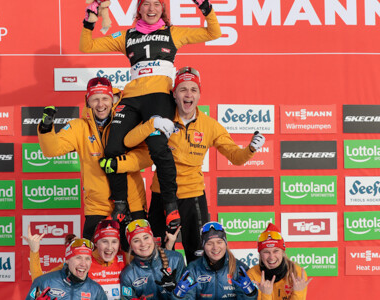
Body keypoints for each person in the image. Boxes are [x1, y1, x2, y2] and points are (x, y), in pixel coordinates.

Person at [80, 0, 222, 230]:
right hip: (132, 98)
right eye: (146, 4)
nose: (151, 8)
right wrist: (89, 21)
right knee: (112, 146)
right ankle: (121, 203)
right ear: (139, 8)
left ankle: (169, 205)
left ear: (163, 8)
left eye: (156, 4)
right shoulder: (127, 35)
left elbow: (213, 33)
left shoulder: (173, 32)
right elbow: (87, 46)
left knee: (158, 147)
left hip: (159, 97)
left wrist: (207, 9)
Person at [104, 66, 265, 263]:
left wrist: (250, 149)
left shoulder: (210, 126)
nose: (188, 94)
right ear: (174, 94)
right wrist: (151, 124)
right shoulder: (161, 119)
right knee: (155, 253)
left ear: (199, 94)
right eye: (183, 89)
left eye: (193, 90)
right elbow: (129, 141)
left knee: (198, 254)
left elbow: (236, 157)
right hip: (161, 194)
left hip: (193, 197)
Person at [37, 77, 148, 241]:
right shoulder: (79, 127)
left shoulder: (128, 121)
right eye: (95, 99)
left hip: (132, 203)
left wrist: (119, 164)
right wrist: (46, 127)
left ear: (113, 100)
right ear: (88, 102)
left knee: (133, 260)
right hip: (97, 207)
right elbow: (52, 150)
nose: (100, 104)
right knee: (92, 261)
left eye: (105, 98)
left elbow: (146, 156)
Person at [27, 220, 126, 300]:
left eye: (114, 242)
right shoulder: (80, 259)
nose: (109, 247)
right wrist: (34, 251)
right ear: (96, 242)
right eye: (104, 241)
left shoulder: (124, 260)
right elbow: (41, 281)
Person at [175, 221, 257, 300]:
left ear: (225, 243)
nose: (215, 247)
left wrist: (250, 294)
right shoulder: (193, 269)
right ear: (203, 246)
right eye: (209, 243)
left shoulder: (239, 268)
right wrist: (179, 297)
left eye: (219, 242)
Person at [120, 219, 188, 300]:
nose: (143, 244)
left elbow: (191, 295)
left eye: (146, 238)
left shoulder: (176, 259)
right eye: (136, 241)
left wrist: (176, 292)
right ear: (131, 246)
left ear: (152, 238)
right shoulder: (128, 275)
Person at [26, 236, 108, 300]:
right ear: (67, 260)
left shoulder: (96, 290)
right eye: (78, 258)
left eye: (87, 258)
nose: (83, 264)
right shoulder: (44, 282)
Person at [247, 223, 311, 300]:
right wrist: (266, 295)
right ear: (260, 254)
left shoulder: (297, 273)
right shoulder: (252, 275)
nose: (271, 257)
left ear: (283, 252)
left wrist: (298, 293)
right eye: (266, 252)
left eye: (276, 251)